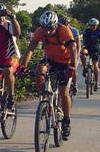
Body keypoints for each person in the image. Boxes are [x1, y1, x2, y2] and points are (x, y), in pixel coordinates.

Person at [20, 10, 77, 140]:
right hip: (50, 60)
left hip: (65, 62)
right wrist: (23, 65)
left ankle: (66, 121)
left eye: (50, 29)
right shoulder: (39, 31)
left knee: (64, 92)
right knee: (39, 70)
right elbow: (31, 49)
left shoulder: (64, 31)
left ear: (55, 25)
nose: (47, 32)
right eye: (44, 28)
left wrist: (72, 66)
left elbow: (73, 48)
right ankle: (44, 98)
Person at [81, 18, 100, 91]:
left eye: (94, 25)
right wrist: (82, 47)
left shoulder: (99, 32)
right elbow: (83, 41)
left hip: (95, 49)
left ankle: (97, 82)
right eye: (91, 25)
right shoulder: (86, 31)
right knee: (82, 54)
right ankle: (85, 68)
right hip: (87, 48)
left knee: (95, 65)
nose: (92, 27)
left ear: (97, 25)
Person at [59, 15, 80, 96]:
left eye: (66, 24)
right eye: (62, 24)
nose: (64, 25)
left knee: (73, 68)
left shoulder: (74, 31)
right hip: (64, 53)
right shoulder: (59, 31)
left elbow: (78, 45)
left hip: (73, 52)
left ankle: (74, 84)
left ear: (68, 24)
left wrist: (76, 56)